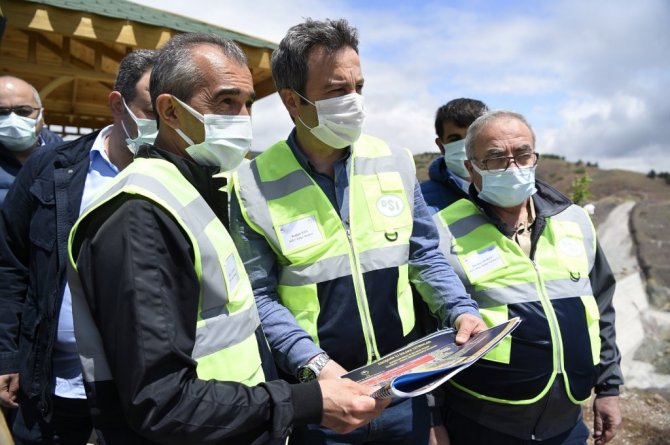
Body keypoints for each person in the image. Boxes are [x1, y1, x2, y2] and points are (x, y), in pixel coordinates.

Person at [66, 32, 388, 445]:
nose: (243, 118)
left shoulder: (194, 191)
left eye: (248, 103)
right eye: (225, 102)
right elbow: (161, 401)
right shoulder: (139, 216)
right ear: (170, 111)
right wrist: (305, 402)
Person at [231, 18, 486, 445]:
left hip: (404, 387)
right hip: (322, 402)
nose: (354, 101)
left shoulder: (395, 161)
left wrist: (459, 309)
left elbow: (424, 255)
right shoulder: (253, 183)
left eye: (359, 87)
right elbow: (258, 295)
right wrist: (315, 366)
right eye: (337, 90)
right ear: (293, 101)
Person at [432, 110, 623, 445]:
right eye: (495, 158)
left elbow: (601, 307)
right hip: (482, 424)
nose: (513, 167)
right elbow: (426, 332)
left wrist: (608, 388)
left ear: (535, 157)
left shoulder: (574, 221)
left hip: (568, 424)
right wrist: (432, 419)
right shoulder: (443, 231)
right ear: (471, 169)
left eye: (522, 155)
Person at [0, 49, 157, 444]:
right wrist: (6, 356)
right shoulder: (51, 167)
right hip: (51, 386)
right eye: (153, 109)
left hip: (140, 390)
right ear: (118, 105)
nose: (165, 121)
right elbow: (11, 264)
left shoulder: (185, 176)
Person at [0, 75, 63, 207]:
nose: (13, 121)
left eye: (23, 111)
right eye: (2, 112)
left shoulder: (68, 158)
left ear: (41, 115)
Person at [420, 98, 488, 215]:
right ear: (441, 146)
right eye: (455, 139)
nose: (466, 145)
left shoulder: (511, 189)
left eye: (473, 136)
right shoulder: (421, 202)